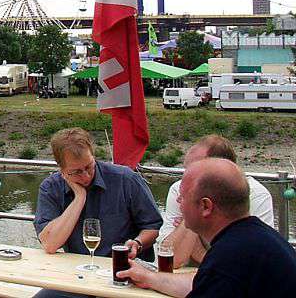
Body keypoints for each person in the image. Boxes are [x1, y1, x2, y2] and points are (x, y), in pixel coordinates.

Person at [118, 158, 296, 297]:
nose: (178, 202)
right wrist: (149, 277)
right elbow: (199, 283)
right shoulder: (256, 238)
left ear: (206, 206)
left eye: (183, 197)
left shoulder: (230, 256)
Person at [32, 128, 162, 298]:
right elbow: (50, 244)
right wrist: (79, 198)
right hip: (77, 275)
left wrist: (138, 242)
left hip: (124, 275)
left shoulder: (126, 179)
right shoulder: (51, 187)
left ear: (93, 155)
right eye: (76, 172)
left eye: (89, 166)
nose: (86, 176)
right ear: (62, 170)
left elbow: (152, 227)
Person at [159, 134, 274, 269]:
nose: (185, 178)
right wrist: (192, 217)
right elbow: (171, 260)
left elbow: (246, 267)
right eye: (185, 170)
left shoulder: (255, 195)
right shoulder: (181, 190)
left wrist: (196, 246)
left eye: (193, 171)